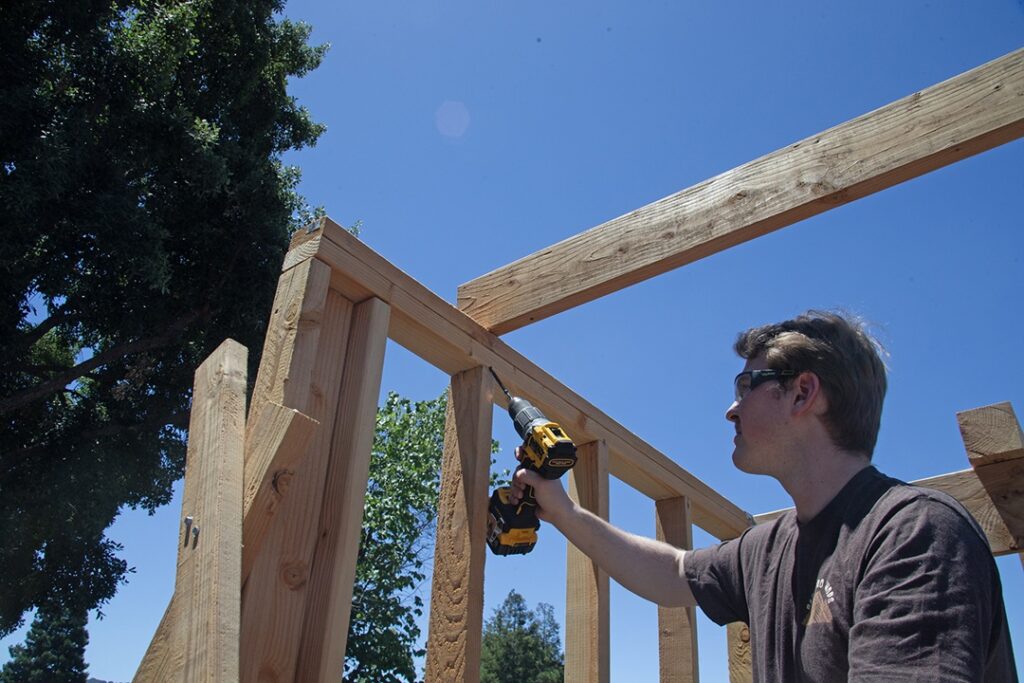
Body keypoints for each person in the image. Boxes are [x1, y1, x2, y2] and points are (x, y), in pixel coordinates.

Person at [509, 310, 1017, 681]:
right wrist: (565, 512)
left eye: (745, 384)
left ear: (802, 393)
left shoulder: (913, 534)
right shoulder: (767, 549)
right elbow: (671, 572)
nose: (731, 410)